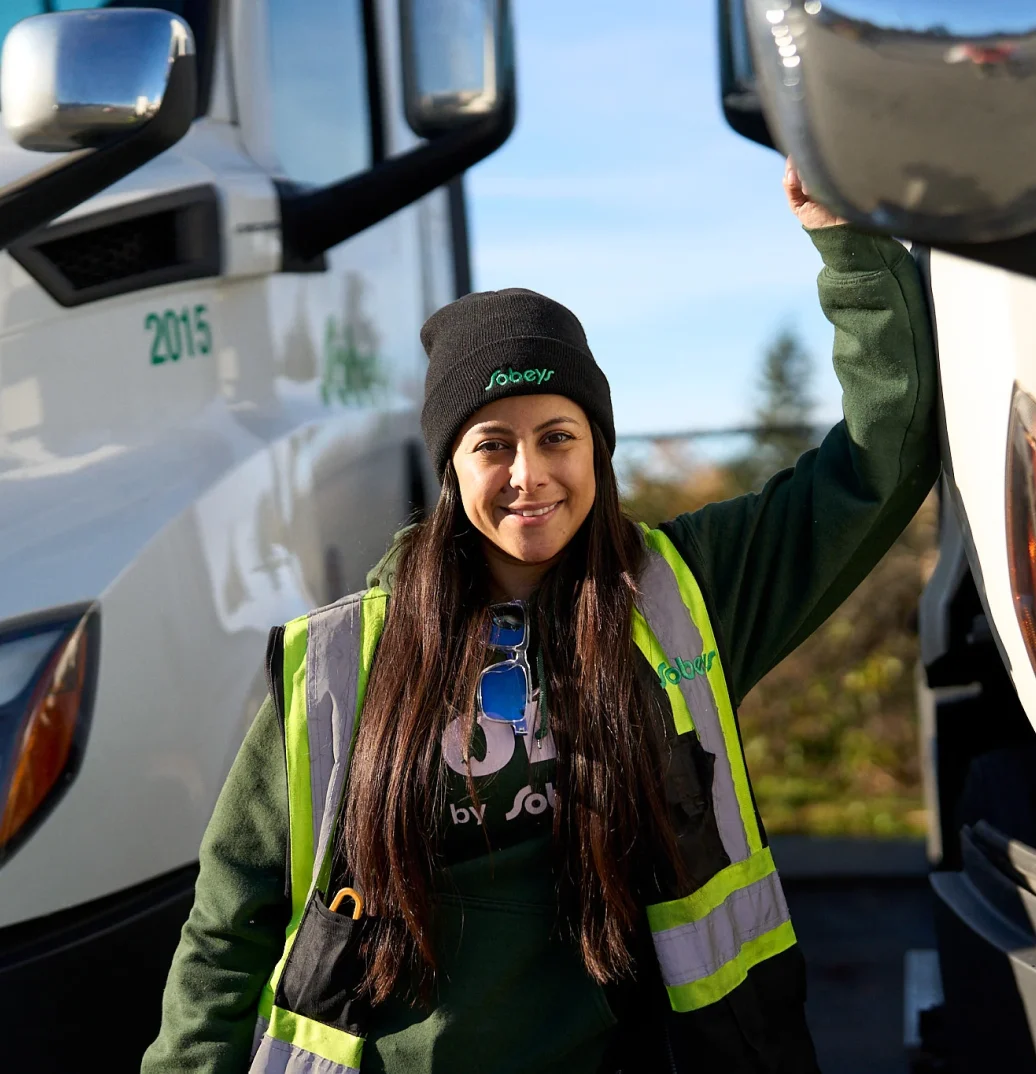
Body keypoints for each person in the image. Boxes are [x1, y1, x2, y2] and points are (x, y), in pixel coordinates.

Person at [142, 162, 938, 1074]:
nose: (531, 475)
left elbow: (886, 453)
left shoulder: (687, 592)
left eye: (558, 435)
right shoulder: (340, 660)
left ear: (598, 446)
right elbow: (225, 926)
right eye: (493, 445)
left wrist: (848, 243)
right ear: (451, 470)